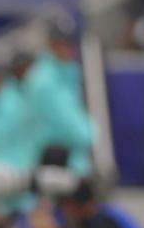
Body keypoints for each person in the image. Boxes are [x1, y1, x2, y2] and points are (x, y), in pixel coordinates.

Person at [23, 17, 95, 174]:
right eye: (62, 43)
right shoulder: (44, 80)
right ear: (51, 44)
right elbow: (73, 128)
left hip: (68, 162)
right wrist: (92, 132)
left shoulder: (64, 74)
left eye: (70, 43)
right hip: (53, 165)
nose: (68, 48)